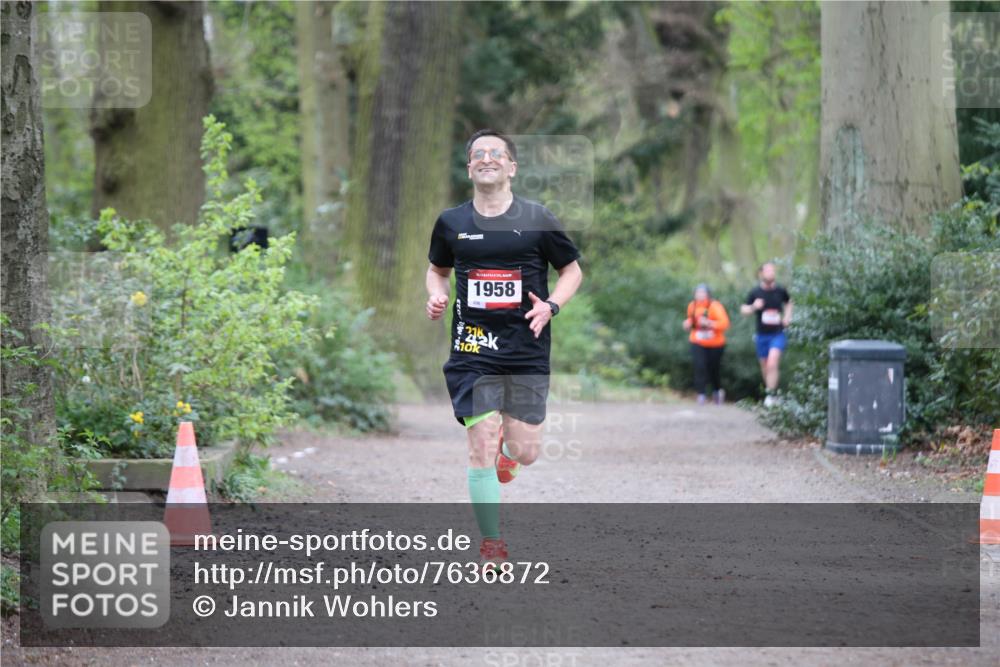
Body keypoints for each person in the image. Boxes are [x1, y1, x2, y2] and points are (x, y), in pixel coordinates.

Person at [425, 129, 583, 565]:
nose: (487, 158)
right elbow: (437, 270)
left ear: (512, 167)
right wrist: (436, 295)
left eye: (497, 153)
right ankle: (492, 543)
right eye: (479, 154)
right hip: (472, 347)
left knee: (525, 451)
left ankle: (509, 457)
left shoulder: (537, 218)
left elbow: (572, 272)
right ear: (470, 167)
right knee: (480, 441)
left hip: (525, 347)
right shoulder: (452, 222)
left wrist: (551, 305)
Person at [740, 262, 792, 407]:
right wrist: (753, 307)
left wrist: (787, 317)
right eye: (768, 270)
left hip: (778, 333)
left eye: (773, 270)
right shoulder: (755, 292)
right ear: (761, 274)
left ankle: (771, 396)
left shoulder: (781, 291)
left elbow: (789, 302)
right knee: (765, 366)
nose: (771, 273)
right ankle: (771, 392)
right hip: (762, 335)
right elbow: (743, 309)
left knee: (772, 362)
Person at [682, 284, 729, 405]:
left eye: (703, 293)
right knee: (699, 366)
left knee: (714, 369)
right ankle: (701, 394)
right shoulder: (692, 306)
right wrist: (688, 324)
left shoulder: (715, 306)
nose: (700, 295)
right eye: (698, 293)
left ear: (708, 294)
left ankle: (717, 391)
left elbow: (725, 324)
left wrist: (709, 323)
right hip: (697, 341)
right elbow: (692, 322)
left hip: (716, 344)